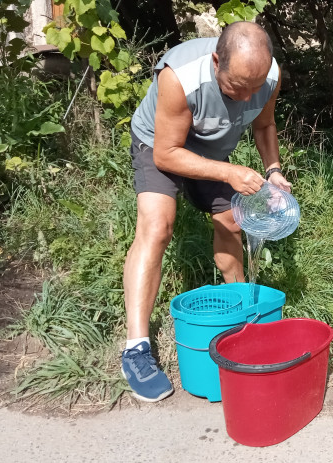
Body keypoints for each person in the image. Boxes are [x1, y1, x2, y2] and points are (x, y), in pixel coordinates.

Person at [120, 21, 290, 402]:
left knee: (232, 221)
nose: (247, 98)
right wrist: (231, 172)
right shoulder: (180, 77)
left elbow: (264, 124)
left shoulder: (267, 76)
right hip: (159, 145)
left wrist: (273, 170)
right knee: (158, 227)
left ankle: (245, 319)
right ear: (216, 61)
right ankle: (136, 348)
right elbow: (167, 153)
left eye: (254, 88)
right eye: (237, 88)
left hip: (211, 154)